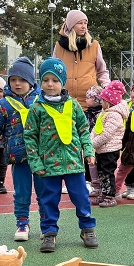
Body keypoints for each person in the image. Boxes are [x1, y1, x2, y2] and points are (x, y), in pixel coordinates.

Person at [23, 58, 98, 253]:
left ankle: (87, 229)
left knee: (81, 197)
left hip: (74, 163)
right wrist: (35, 162)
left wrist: (88, 151)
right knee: (48, 200)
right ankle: (49, 233)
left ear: (62, 82)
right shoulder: (37, 108)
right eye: (46, 79)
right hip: (48, 166)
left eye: (55, 80)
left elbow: (83, 130)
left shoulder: (73, 105)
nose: (50, 84)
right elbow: (30, 137)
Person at [0, 58, 46, 242]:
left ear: (31, 80)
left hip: (42, 157)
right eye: (13, 79)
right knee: (21, 193)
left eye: (21, 79)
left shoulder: (43, 100)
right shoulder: (3, 105)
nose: (17, 83)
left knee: (45, 192)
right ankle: (22, 223)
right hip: (19, 158)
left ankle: (47, 225)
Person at [52, 10, 110, 107]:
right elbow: (53, 72)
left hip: (90, 104)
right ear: (71, 25)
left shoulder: (94, 45)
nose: (84, 26)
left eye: (85, 23)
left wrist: (107, 87)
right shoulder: (58, 46)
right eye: (79, 23)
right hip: (65, 103)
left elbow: (102, 71)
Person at [90, 80, 128, 208]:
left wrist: (92, 144)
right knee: (101, 173)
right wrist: (90, 141)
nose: (100, 102)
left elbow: (106, 135)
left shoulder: (114, 115)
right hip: (101, 150)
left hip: (110, 150)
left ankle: (110, 196)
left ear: (109, 101)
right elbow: (96, 129)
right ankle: (103, 194)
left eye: (102, 100)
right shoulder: (104, 113)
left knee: (107, 173)